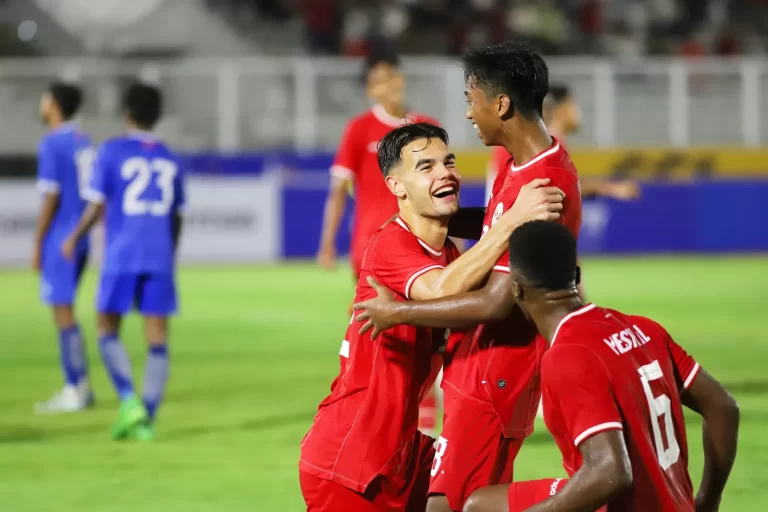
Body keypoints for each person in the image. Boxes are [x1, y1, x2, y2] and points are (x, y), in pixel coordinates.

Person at [353, 43, 582, 512]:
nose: (468, 112)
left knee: (454, 505)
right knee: (460, 502)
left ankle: (594, 498)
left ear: (500, 105)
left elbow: (497, 302)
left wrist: (397, 311)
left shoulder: (541, 188)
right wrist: (436, 214)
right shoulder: (524, 169)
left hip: (494, 374)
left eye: (470, 98)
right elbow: (495, 219)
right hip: (483, 369)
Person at [300, 122, 565, 512]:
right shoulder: (391, 244)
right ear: (396, 187)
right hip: (352, 458)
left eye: (449, 162)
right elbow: (441, 290)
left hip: (402, 451)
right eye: (426, 167)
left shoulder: (451, 256)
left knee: (469, 499)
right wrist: (512, 220)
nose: (445, 173)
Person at [462, 221, 740, 512]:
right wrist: (708, 499)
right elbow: (723, 407)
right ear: (576, 275)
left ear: (516, 289)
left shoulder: (567, 356)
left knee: (480, 507)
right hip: (675, 504)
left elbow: (610, 472)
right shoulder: (644, 329)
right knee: (483, 504)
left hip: (623, 501)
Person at [62, 83, 184, 441]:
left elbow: (96, 205)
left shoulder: (112, 151)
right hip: (159, 256)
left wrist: (74, 236)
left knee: (106, 328)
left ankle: (130, 401)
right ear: (157, 116)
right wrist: (170, 253)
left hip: (122, 254)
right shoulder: (169, 158)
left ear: (127, 113)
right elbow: (177, 217)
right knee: (158, 340)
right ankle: (146, 418)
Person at [316, 50, 440, 279]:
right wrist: (327, 244)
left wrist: (456, 238)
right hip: (371, 241)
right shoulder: (359, 128)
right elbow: (339, 191)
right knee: (375, 312)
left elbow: (443, 187)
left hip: (422, 241)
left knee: (417, 313)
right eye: (379, 81)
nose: (389, 85)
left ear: (401, 78)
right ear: (371, 90)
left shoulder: (427, 127)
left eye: (392, 76)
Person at [33, 82, 95, 414]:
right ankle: (82, 385)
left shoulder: (52, 143)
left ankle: (76, 388)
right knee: (66, 310)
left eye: (44, 98)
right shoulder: (82, 141)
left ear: (54, 104)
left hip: (63, 238)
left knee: (63, 313)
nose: (41, 103)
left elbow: (50, 198)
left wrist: (38, 241)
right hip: (81, 236)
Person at [486, 84, 640, 203]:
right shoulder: (546, 142)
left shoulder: (541, 139)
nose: (577, 111)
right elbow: (561, 188)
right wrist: (611, 189)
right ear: (559, 109)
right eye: (572, 104)